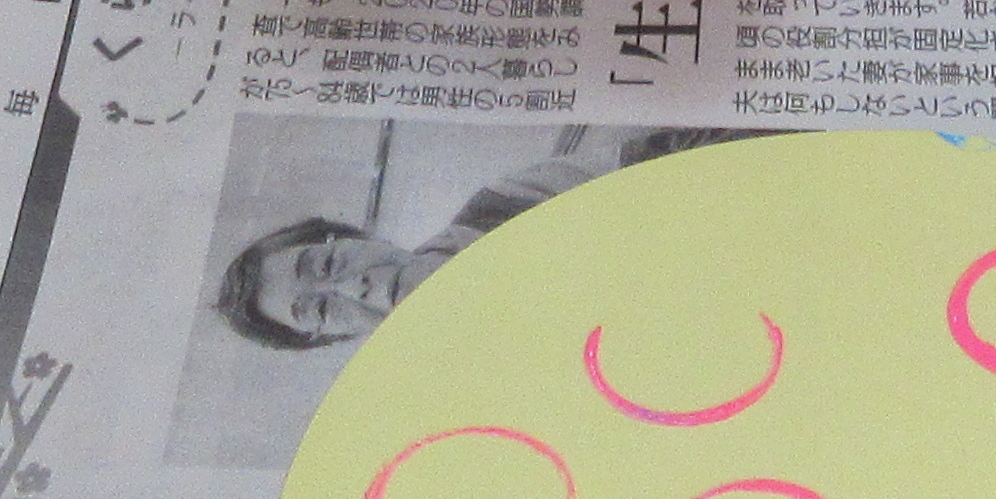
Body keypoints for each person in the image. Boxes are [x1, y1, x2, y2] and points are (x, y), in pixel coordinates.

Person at [208, 124, 750, 348]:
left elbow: (670, 153)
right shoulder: (460, 391)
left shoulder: (503, 203)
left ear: (350, 236)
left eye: (328, 266)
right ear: (332, 338)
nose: (355, 286)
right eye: (322, 311)